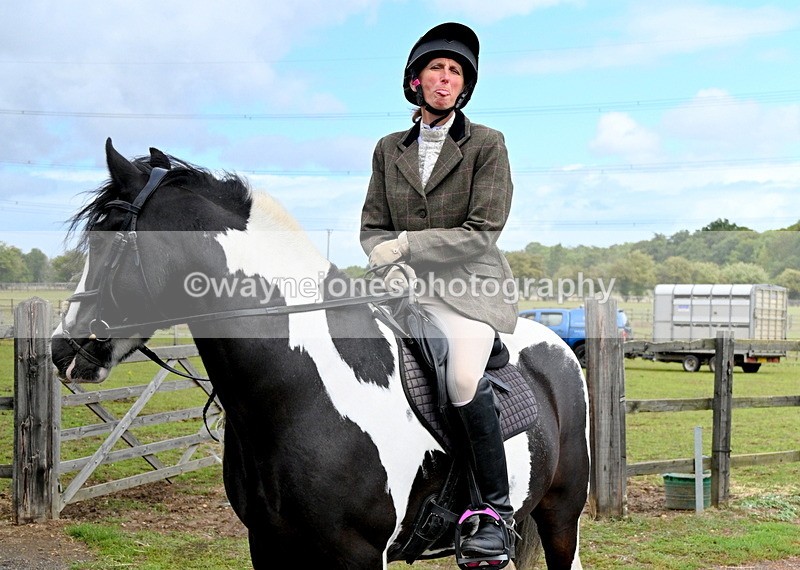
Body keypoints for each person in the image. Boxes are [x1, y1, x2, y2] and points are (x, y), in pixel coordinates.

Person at [359, 22, 519, 564]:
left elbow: (482, 231)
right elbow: (373, 228)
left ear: (463, 88)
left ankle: (494, 513)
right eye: (437, 69)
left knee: (462, 375)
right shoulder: (388, 148)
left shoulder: (487, 145)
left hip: (469, 289)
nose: (445, 79)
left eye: (455, 72)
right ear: (415, 82)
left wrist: (405, 248)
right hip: (400, 291)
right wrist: (387, 263)